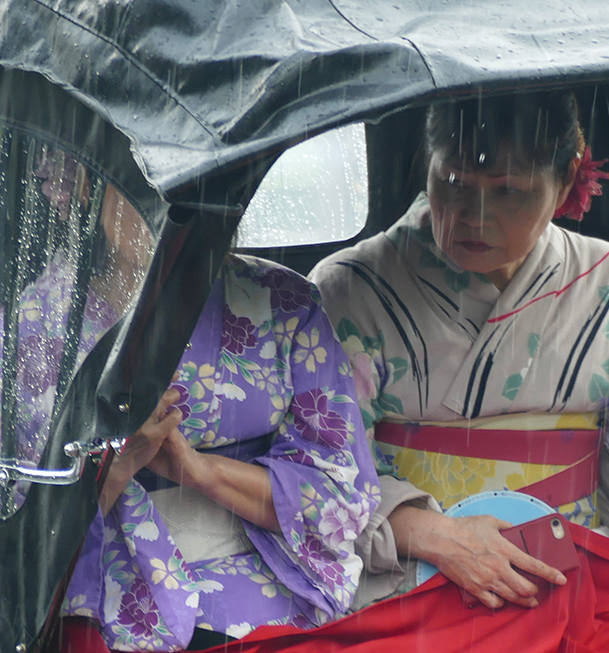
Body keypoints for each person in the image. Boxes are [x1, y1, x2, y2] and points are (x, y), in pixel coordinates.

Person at [259, 91, 609, 652]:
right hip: (406, 583)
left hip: (580, 576)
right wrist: (435, 535)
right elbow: (312, 474)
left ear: (564, 185)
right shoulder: (350, 289)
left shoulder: (606, 285)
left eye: (508, 193)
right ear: (427, 166)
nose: (474, 217)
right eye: (455, 183)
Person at [9, 156, 381, 652]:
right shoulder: (43, 320)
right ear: (86, 186)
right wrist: (115, 465)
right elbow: (26, 525)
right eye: (150, 188)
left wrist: (199, 469)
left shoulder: (284, 301)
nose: (174, 216)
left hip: (271, 586)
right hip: (110, 597)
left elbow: (341, 492)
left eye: (197, 193)